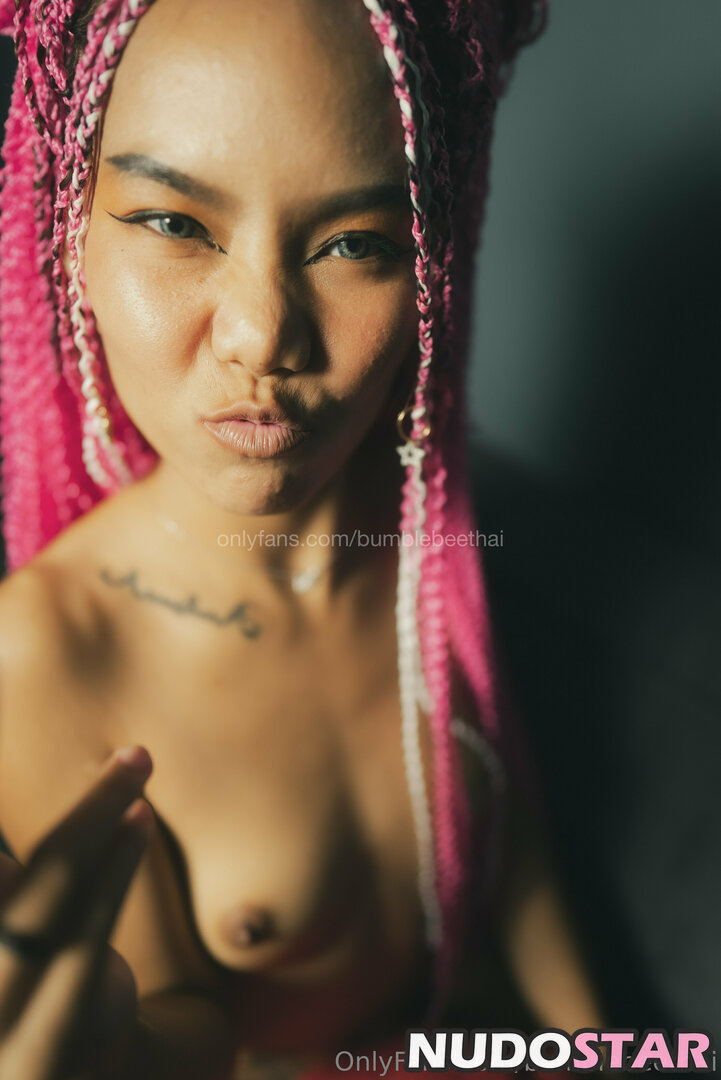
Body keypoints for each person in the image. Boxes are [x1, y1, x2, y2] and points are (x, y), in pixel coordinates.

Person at [0, 0, 604, 1077]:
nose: (263, 335)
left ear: (430, 268)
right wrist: (106, 1038)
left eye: (354, 244)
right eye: (174, 224)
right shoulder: (43, 653)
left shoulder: (421, 544)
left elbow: (508, 841)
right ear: (66, 233)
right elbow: (178, 1020)